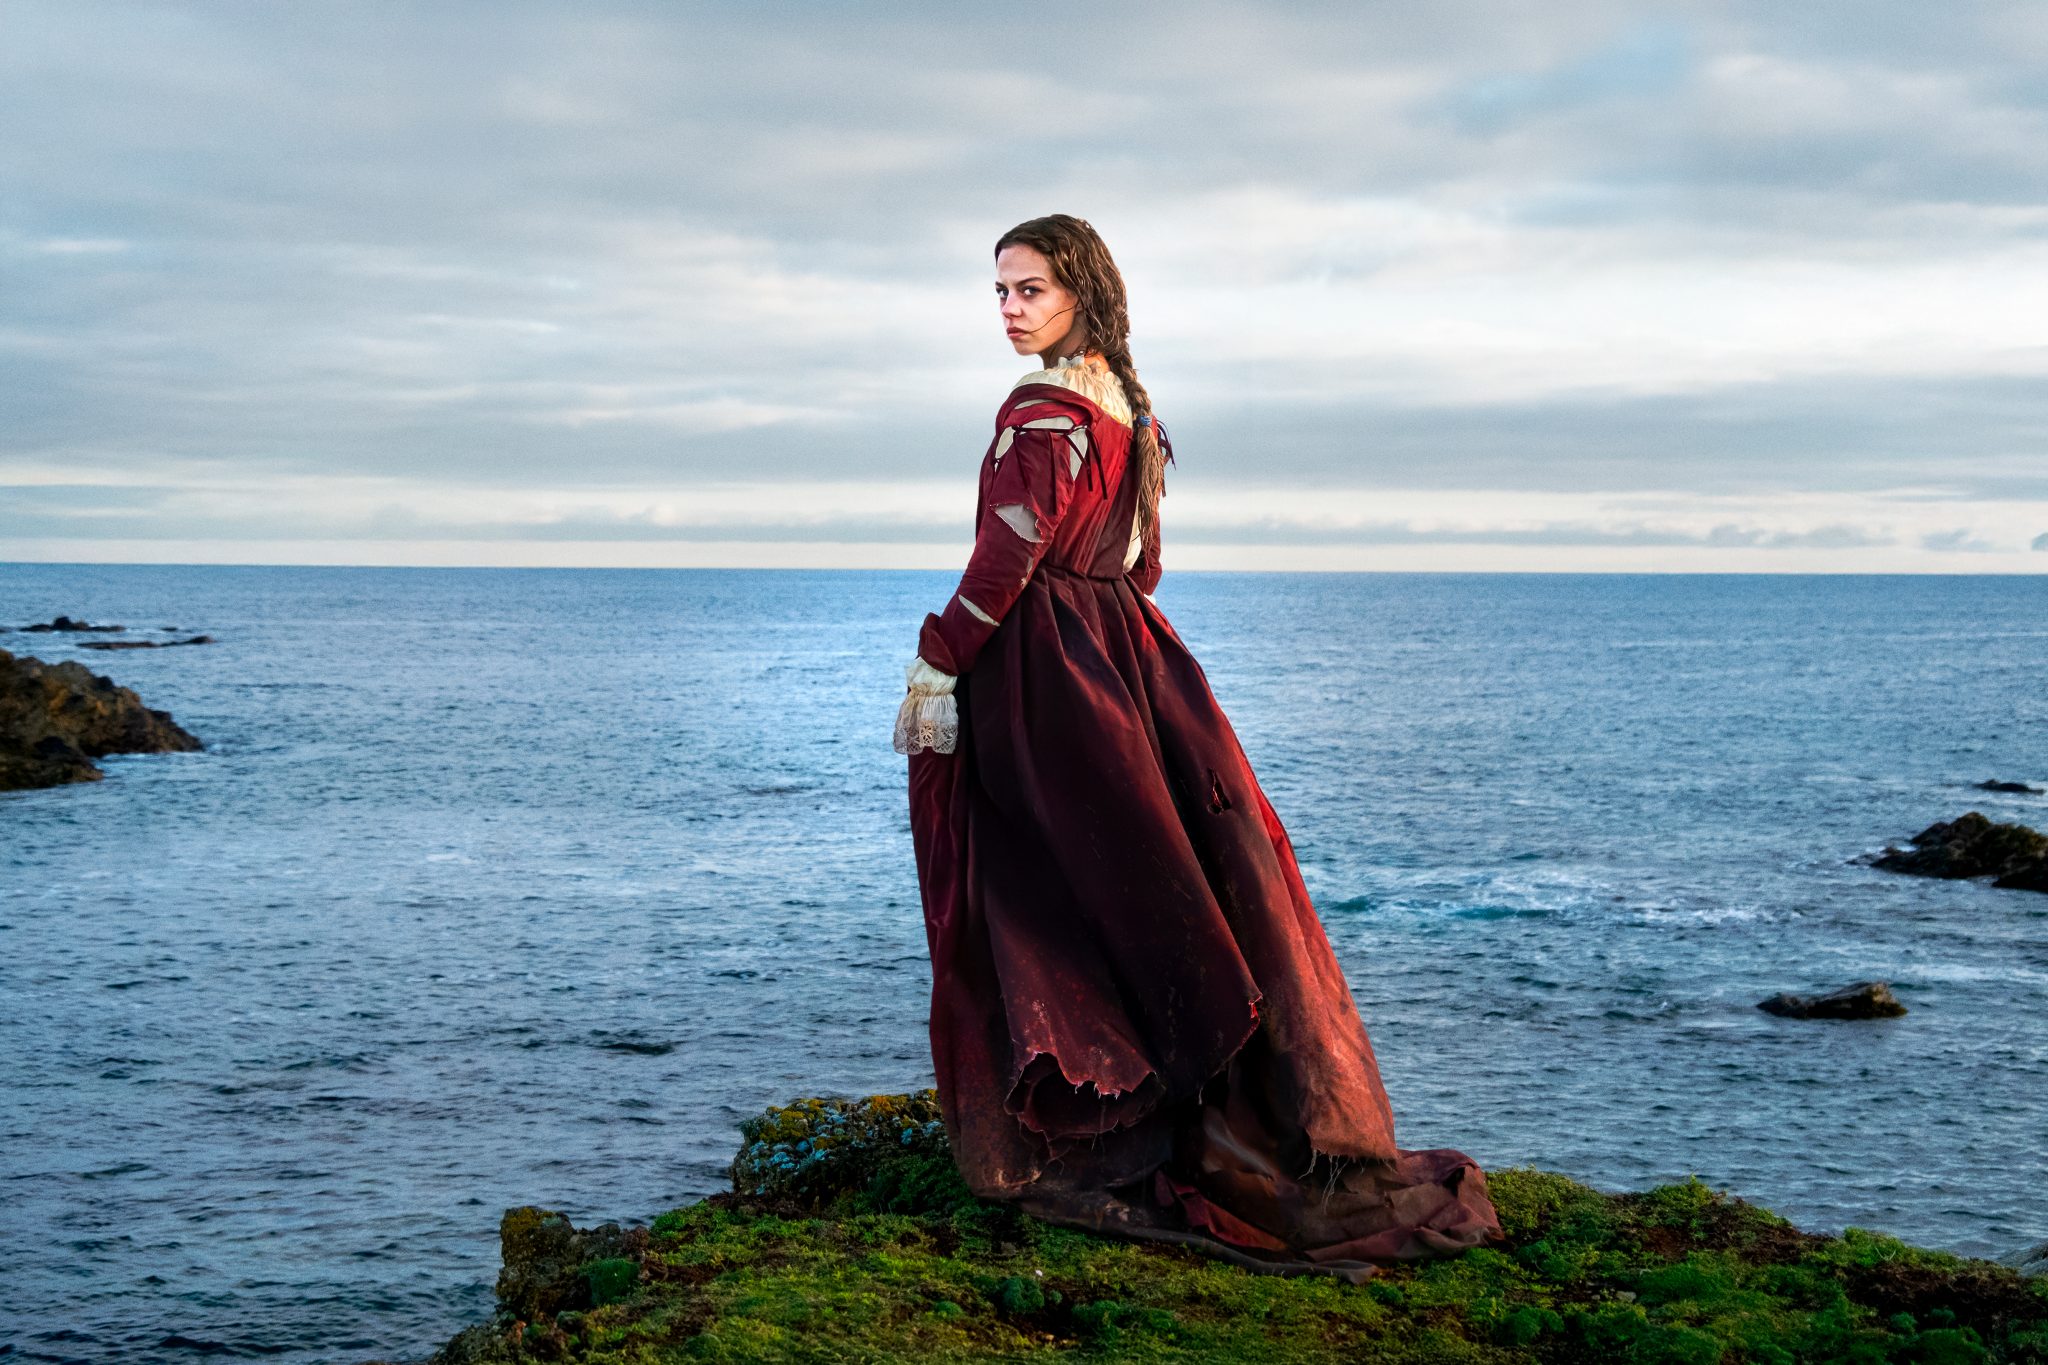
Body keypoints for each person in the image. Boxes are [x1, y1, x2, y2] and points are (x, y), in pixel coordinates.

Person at [894, 214, 1503, 1282]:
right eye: (998, 292)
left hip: (1045, 666)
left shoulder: (1041, 410)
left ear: (1081, 292)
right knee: (1149, 877)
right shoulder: (1129, 411)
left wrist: (941, 661)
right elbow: (1141, 564)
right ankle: (1183, 1112)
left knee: (1043, 889)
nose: (1009, 310)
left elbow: (1006, 558)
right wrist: (1104, 632)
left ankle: (1092, 1130)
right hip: (1125, 656)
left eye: (1029, 289)